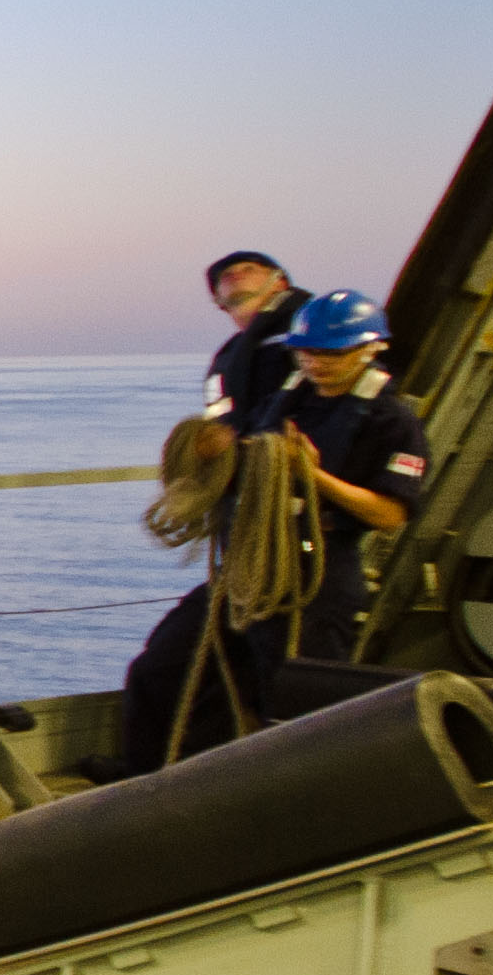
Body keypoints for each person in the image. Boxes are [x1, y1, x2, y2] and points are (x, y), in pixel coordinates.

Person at [126, 288, 430, 763]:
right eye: (306, 351)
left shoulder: (393, 422)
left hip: (315, 581)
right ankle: (152, 781)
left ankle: (292, 802)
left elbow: (390, 515)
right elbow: (250, 467)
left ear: (372, 349)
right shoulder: (284, 401)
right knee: (162, 668)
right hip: (247, 573)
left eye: (332, 353)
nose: (316, 363)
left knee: (296, 707)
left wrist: (314, 476)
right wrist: (217, 455)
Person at [121, 252, 338, 770]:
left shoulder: (317, 340)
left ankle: (290, 790)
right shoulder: (228, 359)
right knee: (165, 667)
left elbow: (330, 428)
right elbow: (220, 430)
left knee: (287, 689)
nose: (233, 271)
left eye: (249, 267)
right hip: (242, 555)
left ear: (282, 281)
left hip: (302, 555)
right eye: (223, 277)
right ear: (217, 303)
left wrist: (266, 455)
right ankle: (154, 774)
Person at [195, 250, 300, 424]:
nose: (236, 276)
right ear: (217, 298)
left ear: (279, 283)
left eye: (249, 269)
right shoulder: (226, 356)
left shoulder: (307, 328)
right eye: (226, 275)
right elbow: (218, 417)